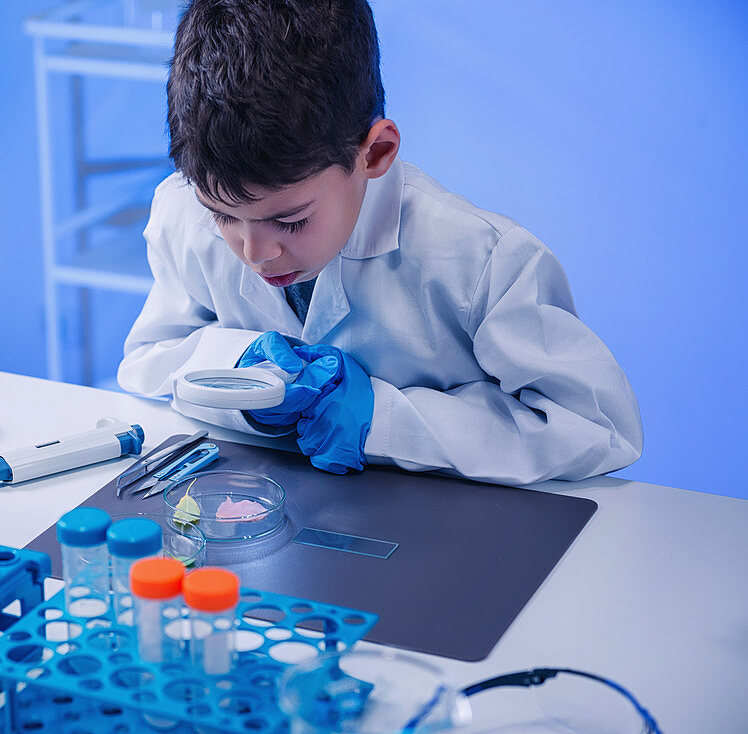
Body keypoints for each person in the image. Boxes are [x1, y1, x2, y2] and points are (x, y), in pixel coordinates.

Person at [117, 0, 642, 486]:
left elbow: (595, 427)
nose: (254, 254)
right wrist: (240, 368)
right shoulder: (181, 215)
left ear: (375, 152)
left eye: (292, 221)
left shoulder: (483, 261)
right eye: (223, 216)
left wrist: (382, 419)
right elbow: (149, 359)